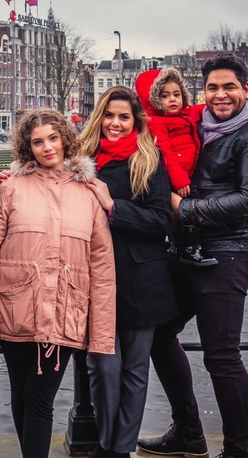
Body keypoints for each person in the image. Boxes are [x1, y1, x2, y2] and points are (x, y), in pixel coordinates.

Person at [139, 53, 248, 458]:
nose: (220, 95)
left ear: (246, 90)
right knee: (158, 333)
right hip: (188, 250)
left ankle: (239, 451)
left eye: (229, 87)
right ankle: (188, 431)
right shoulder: (199, 126)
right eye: (213, 88)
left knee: (221, 356)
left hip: (228, 254)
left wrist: (181, 209)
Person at [0, 109, 116, 458]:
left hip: (65, 310)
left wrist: (100, 333)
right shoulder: (10, 187)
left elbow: (102, 266)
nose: (47, 147)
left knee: (40, 398)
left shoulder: (87, 193)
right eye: (37, 141)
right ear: (28, 147)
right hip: (16, 307)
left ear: (65, 140)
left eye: (53, 138)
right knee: (20, 395)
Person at [77, 87, 178, 458]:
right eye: (110, 115)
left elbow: (162, 220)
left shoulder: (147, 160)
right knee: (102, 365)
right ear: (99, 116)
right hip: (94, 278)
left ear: (135, 122)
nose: (115, 124)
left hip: (141, 279)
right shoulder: (83, 158)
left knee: (135, 369)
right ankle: (107, 441)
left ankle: (118, 450)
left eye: (124, 117)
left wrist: (112, 206)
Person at [135, 67, 215, 268]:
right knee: (189, 210)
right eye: (165, 96)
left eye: (177, 95)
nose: (173, 100)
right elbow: (165, 153)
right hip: (175, 178)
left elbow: (203, 108)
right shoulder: (156, 123)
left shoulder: (187, 115)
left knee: (188, 209)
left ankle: (179, 246)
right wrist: (179, 180)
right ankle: (190, 249)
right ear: (153, 99)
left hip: (186, 175)